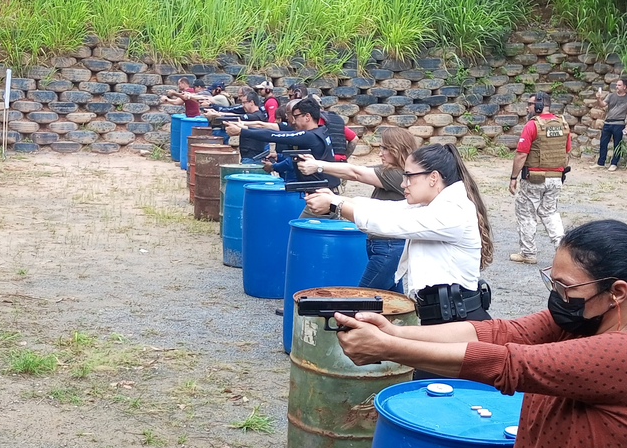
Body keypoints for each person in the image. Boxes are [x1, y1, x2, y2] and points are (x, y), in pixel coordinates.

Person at [332, 219, 627, 448]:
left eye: (566, 286)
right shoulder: (583, 319)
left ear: (617, 292)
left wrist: (391, 349)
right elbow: (498, 334)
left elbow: (510, 365)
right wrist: (400, 332)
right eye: (552, 281)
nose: (557, 294)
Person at [306, 143, 494, 328]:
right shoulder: (434, 203)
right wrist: (336, 198)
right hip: (447, 316)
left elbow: (389, 224)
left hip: (459, 321)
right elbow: (386, 208)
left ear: (433, 177)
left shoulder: (453, 210)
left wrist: (334, 206)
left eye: (409, 176)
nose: (404, 183)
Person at [297, 127, 415, 292]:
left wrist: (318, 166)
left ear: (398, 150)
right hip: (387, 247)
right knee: (391, 304)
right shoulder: (393, 171)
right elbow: (354, 174)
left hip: (389, 248)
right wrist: (334, 197)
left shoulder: (397, 175)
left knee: (361, 301)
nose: (380, 153)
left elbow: (355, 173)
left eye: (386, 148)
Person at [509, 92, 570, 265]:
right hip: (556, 178)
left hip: (534, 178)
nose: (527, 107)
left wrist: (513, 177)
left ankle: (528, 253)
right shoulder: (563, 124)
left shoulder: (532, 125)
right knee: (550, 212)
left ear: (538, 106)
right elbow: (567, 152)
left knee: (526, 213)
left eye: (530, 104)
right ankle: (563, 250)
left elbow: (521, 155)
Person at [205, 91, 268, 164]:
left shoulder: (257, 116)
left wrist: (216, 115)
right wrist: (217, 113)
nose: (242, 105)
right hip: (249, 155)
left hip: (253, 157)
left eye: (244, 103)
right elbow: (234, 114)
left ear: (251, 102)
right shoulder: (254, 114)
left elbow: (237, 117)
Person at [596, 78, 627, 171]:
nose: (617, 87)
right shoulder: (611, 96)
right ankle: (601, 163)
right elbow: (602, 104)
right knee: (603, 143)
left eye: (619, 85)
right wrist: (598, 99)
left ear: (625, 87)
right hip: (608, 122)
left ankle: (614, 163)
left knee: (617, 145)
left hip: (619, 123)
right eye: (616, 85)